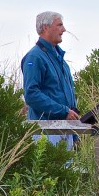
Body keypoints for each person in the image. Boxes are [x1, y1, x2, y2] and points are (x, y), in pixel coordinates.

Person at [22, 11, 79, 148]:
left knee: (67, 169)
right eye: (59, 25)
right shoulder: (34, 57)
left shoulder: (60, 60)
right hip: (45, 131)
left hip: (64, 129)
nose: (64, 30)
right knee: (46, 169)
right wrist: (63, 111)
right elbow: (31, 94)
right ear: (45, 28)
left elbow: (67, 98)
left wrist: (75, 133)